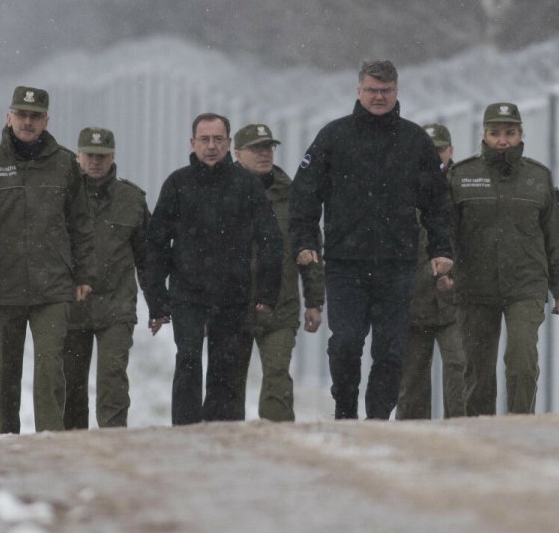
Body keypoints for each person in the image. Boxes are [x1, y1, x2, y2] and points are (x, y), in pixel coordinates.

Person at [290, 59, 454, 420]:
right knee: (346, 343)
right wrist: (305, 241)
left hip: (397, 264)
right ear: (358, 90)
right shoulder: (333, 137)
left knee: (391, 349)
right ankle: (345, 410)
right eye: (372, 90)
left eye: (386, 91)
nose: (379, 97)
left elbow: (437, 202)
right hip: (345, 264)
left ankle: (378, 418)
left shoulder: (415, 141)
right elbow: (304, 195)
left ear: (396, 92)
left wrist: (441, 249)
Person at [0, 86, 95, 434]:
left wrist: (84, 274)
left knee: (50, 369)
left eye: (35, 116)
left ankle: (48, 442)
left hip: (53, 287)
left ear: (46, 120)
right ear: (9, 117)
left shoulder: (65, 165)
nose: (28, 122)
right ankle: (5, 441)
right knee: (4, 373)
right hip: (1, 285)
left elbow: (82, 224)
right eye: (22, 115)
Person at [145, 113, 282, 425]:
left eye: (217, 139)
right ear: (192, 143)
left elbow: (270, 239)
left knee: (225, 368)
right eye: (204, 139)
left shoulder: (246, 185)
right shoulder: (178, 183)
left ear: (228, 143)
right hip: (187, 294)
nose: (211, 146)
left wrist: (267, 292)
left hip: (232, 294)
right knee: (189, 360)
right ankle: (186, 429)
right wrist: (157, 299)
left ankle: (220, 434)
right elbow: (156, 244)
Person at [451, 102, 559, 416]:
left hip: (525, 284)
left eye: (509, 133)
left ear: (520, 135)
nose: (502, 140)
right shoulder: (462, 177)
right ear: (484, 134)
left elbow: (553, 237)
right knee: (478, 371)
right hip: (474, 287)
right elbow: (445, 235)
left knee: (522, 361)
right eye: (495, 133)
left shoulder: (538, 177)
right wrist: (444, 272)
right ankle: (480, 433)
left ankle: (521, 426)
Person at [229, 123, 325, 421]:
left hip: (280, 306)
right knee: (229, 382)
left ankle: (277, 439)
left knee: (277, 376)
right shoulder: (223, 192)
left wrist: (314, 301)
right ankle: (226, 443)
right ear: (237, 154)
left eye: (268, 147)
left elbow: (309, 251)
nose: (264, 153)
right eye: (256, 148)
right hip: (233, 305)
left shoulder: (291, 196)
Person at [61, 126, 150, 429]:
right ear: (78, 156)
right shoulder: (62, 196)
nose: (95, 162)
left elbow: (147, 257)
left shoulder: (132, 199)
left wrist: (159, 303)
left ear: (113, 156)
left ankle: (112, 441)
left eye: (102, 156)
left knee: (112, 378)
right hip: (71, 305)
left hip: (116, 305)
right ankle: (72, 446)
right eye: (89, 155)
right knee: (70, 383)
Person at [397, 122, 466, 420]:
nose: (436, 157)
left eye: (440, 149)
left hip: (457, 299)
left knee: (460, 368)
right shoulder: (398, 189)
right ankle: (412, 443)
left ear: (451, 151)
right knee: (411, 381)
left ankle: (464, 434)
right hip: (413, 299)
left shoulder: (467, 187)